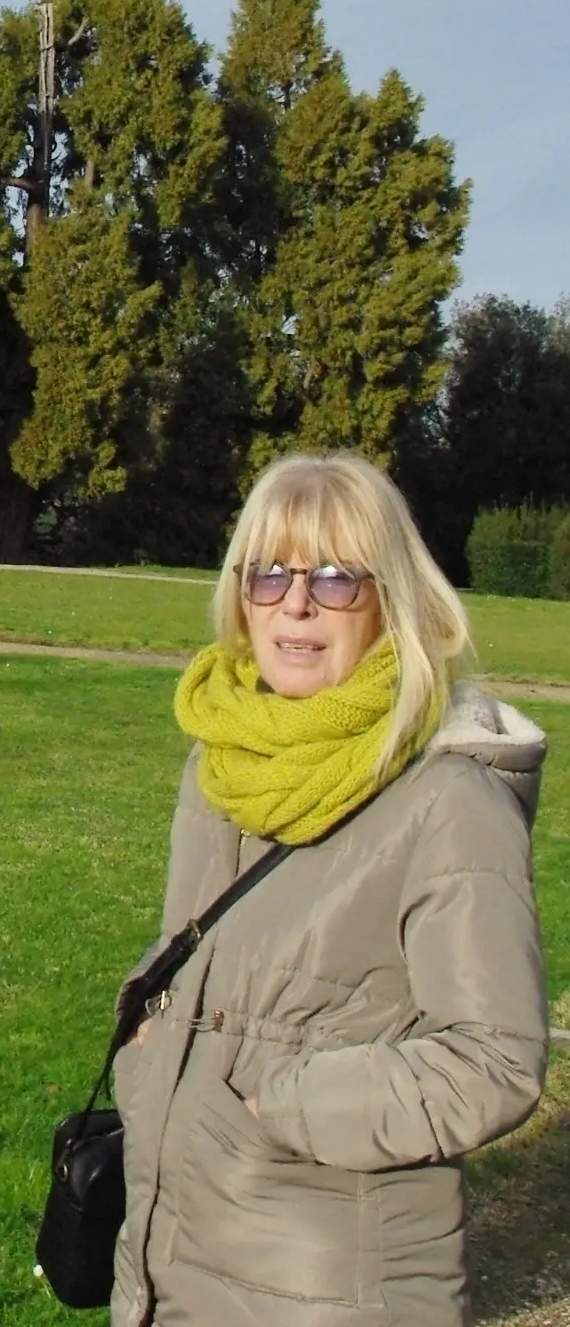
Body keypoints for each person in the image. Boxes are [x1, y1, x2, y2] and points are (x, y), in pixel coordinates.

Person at [112, 451, 550, 1326]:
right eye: (267, 574)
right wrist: (148, 1044)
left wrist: (280, 1097)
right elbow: (196, 952)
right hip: (169, 1252)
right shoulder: (222, 764)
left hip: (332, 1286)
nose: (295, 602)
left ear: (390, 597)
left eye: (335, 577)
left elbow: (494, 1061)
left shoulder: (447, 802)